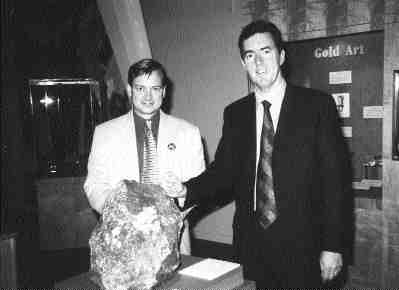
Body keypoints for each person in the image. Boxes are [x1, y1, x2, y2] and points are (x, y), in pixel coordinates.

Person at [163, 20, 352, 288]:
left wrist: (333, 246)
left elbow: (335, 183)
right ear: (243, 63)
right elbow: (223, 172)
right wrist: (186, 190)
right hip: (251, 245)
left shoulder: (316, 106)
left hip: (304, 245)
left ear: (282, 56)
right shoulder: (235, 113)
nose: (259, 63)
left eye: (266, 52)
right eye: (250, 56)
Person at [84, 58, 205, 254]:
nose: (148, 96)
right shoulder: (105, 133)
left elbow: (200, 186)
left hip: (173, 238)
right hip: (121, 239)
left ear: (164, 91)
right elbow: (94, 185)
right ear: (130, 90)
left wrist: (176, 206)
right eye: (141, 88)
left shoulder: (188, 132)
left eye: (155, 89)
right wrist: (123, 216)